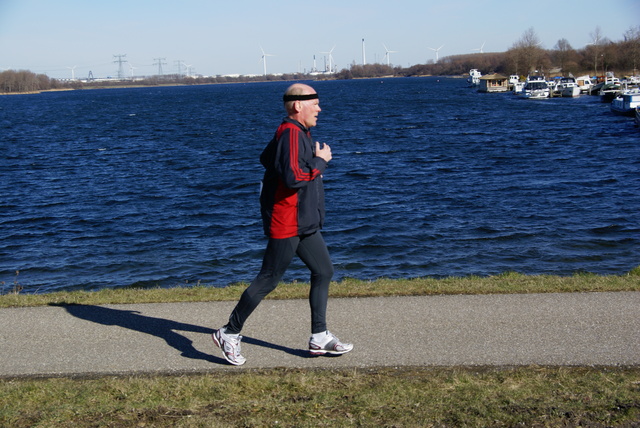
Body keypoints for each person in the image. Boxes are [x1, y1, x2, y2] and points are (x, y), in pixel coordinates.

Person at [212, 83, 353, 365]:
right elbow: (292, 178)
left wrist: (303, 164)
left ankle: (320, 336)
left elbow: (267, 159)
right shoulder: (290, 133)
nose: (320, 108)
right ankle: (229, 332)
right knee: (269, 279)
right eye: (315, 103)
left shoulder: (297, 133)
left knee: (323, 271)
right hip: (287, 221)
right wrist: (320, 163)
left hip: (304, 221)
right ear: (298, 106)